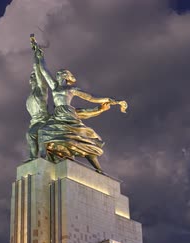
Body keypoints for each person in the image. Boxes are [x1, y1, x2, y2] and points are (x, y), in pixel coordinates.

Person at [32, 40, 127, 174]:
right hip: (58, 115)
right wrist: (39, 55)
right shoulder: (54, 86)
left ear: (65, 76)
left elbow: (91, 97)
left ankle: (98, 168)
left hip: (69, 114)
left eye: (61, 73)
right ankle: (41, 161)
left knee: (80, 139)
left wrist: (113, 101)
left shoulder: (72, 89)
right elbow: (44, 70)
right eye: (58, 73)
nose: (58, 74)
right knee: (43, 133)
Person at [25, 67, 49, 161]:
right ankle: (33, 157)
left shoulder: (42, 89)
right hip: (35, 121)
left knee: (34, 134)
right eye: (31, 76)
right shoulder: (31, 94)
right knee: (30, 135)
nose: (32, 77)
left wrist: (37, 59)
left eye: (34, 75)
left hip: (44, 120)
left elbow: (39, 75)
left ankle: (42, 157)